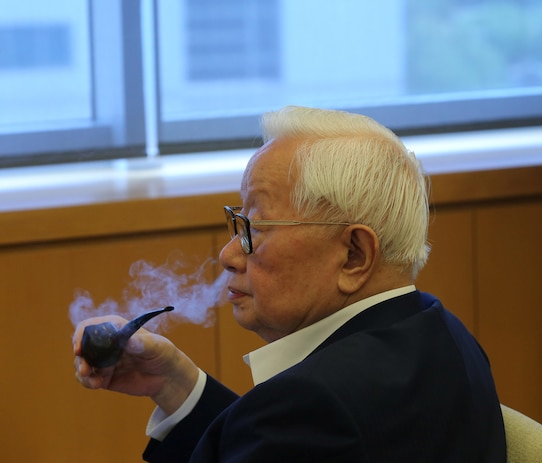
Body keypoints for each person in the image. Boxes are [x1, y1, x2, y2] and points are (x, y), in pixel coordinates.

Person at [72, 105, 507, 462]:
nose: (228, 254)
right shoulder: (445, 334)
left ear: (354, 254)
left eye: (255, 229)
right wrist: (175, 385)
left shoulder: (313, 406)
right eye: (237, 223)